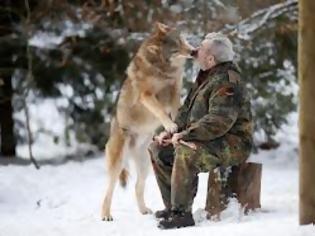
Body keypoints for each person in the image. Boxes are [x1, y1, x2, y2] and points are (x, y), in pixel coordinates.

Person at [148, 33, 253, 229]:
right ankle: (172, 207)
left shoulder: (229, 80)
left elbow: (218, 121)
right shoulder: (206, 75)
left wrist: (186, 135)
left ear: (211, 59)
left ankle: (182, 214)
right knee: (158, 149)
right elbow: (186, 110)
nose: (195, 52)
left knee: (187, 151)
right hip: (207, 138)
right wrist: (172, 132)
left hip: (232, 142)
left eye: (201, 49)